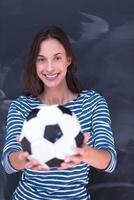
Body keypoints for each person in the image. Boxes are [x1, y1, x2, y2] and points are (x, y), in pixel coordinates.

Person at [1, 25, 117, 200]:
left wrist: (84, 153)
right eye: (41, 59)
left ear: (68, 60)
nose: (49, 68)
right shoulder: (21, 106)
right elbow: (8, 164)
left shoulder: (93, 103)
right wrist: (25, 158)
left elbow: (110, 162)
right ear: (34, 62)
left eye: (57, 58)